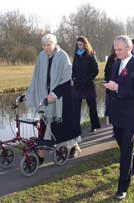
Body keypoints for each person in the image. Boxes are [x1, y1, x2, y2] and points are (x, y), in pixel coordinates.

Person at [104, 35, 134, 200]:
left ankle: (122, 187)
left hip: (130, 116)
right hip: (116, 114)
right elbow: (111, 91)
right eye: (115, 49)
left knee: (125, 153)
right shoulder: (115, 65)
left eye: (120, 49)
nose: (116, 52)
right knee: (123, 146)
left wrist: (118, 87)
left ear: (129, 48)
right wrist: (108, 112)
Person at [25, 34, 80, 163]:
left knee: (62, 125)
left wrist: (55, 93)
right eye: (43, 45)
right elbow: (36, 76)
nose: (46, 48)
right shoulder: (41, 56)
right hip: (45, 95)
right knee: (44, 125)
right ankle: (41, 155)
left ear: (54, 44)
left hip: (61, 97)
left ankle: (73, 146)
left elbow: (67, 79)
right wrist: (30, 93)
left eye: (48, 45)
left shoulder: (63, 56)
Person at [72, 36, 101, 134]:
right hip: (78, 85)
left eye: (81, 44)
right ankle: (76, 129)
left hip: (88, 85)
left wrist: (88, 79)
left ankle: (94, 126)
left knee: (92, 107)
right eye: (78, 44)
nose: (79, 46)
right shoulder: (76, 55)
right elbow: (74, 69)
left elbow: (96, 70)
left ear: (85, 44)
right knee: (76, 108)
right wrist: (73, 77)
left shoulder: (91, 54)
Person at [104, 45, 118, 125]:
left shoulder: (122, 58)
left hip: (118, 85)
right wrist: (106, 82)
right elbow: (106, 71)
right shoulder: (110, 58)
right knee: (108, 103)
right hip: (110, 84)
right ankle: (108, 119)